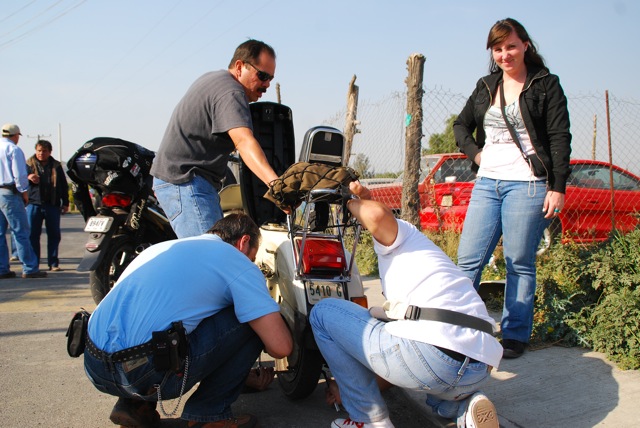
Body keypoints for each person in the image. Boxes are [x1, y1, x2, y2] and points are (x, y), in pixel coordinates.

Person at [310, 181, 503, 428]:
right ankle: (465, 408)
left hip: (434, 357)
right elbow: (395, 365)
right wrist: (350, 387)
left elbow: (377, 215)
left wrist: (349, 202)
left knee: (323, 313)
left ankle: (368, 421)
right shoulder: (428, 261)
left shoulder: (401, 235)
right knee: (434, 386)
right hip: (479, 366)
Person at [84, 213, 292, 428]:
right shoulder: (236, 259)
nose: (249, 262)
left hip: (95, 366)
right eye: (252, 256)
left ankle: (134, 407)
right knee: (252, 322)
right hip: (144, 373)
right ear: (244, 242)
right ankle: (210, 416)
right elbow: (280, 347)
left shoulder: (162, 248)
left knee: (156, 323)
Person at [453, 18, 572, 359]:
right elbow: (461, 124)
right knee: (467, 261)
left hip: (529, 184)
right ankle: (461, 328)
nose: (505, 54)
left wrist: (557, 186)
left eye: (511, 46)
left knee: (519, 261)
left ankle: (515, 334)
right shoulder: (487, 85)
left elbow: (559, 137)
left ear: (525, 46)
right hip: (488, 181)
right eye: (498, 48)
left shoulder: (546, 84)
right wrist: (476, 154)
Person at [151, 39, 281, 239]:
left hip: (184, 181)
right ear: (239, 67)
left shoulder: (215, 79)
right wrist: (277, 186)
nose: (266, 85)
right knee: (211, 257)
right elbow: (244, 141)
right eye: (262, 76)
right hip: (187, 183)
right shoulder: (232, 92)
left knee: (211, 255)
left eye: (270, 79)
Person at [0, 123, 46, 279]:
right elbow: (19, 175)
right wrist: (24, 192)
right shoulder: (14, 150)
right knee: (20, 232)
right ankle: (29, 267)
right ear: (15, 136)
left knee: (0, 233)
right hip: (10, 193)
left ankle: (2, 268)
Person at [26, 139, 69, 271]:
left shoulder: (56, 165)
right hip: (33, 204)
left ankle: (53, 263)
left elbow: (63, 185)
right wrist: (28, 177)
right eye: (39, 150)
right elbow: (19, 180)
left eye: (44, 151)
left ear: (50, 152)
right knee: (32, 235)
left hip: (52, 204)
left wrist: (65, 202)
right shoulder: (28, 165)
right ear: (35, 151)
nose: (41, 153)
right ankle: (34, 264)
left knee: (54, 234)